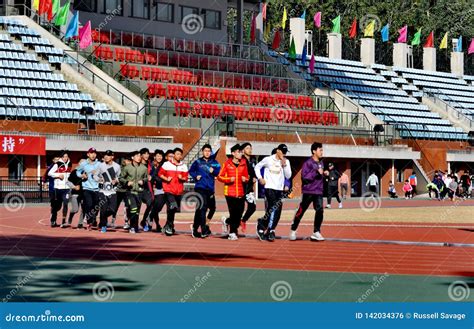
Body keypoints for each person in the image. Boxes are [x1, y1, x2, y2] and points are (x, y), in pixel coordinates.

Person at [254, 144, 292, 242]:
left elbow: (288, 175)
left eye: (285, 152)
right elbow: (257, 167)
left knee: (277, 211)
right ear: (278, 151)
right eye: (282, 152)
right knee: (273, 208)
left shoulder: (286, 161)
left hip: (279, 189)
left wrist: (285, 166)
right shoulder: (268, 159)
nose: (284, 154)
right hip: (269, 188)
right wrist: (260, 178)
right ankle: (271, 230)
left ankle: (262, 224)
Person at [290, 142, 326, 241]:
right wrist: (315, 172)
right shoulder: (308, 163)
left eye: (322, 150)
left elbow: (320, 176)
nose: (322, 152)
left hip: (318, 191)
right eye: (320, 150)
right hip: (308, 191)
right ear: (314, 151)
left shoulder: (321, 162)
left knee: (320, 210)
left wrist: (325, 174)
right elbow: (304, 178)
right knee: (301, 211)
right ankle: (293, 229)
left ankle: (316, 232)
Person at [217, 144, 249, 241]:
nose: (240, 154)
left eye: (241, 152)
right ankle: (232, 232)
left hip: (240, 192)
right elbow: (219, 177)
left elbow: (247, 177)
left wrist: (245, 179)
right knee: (234, 213)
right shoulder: (227, 164)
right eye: (238, 152)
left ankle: (226, 221)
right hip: (229, 193)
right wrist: (228, 179)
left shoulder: (243, 163)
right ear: (233, 153)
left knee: (239, 213)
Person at [189, 144, 221, 238]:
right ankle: (203, 230)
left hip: (210, 188)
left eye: (209, 151)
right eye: (205, 151)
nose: (207, 152)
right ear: (202, 152)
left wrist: (213, 172)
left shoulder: (215, 162)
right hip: (200, 187)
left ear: (210, 152)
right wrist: (195, 176)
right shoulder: (198, 162)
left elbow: (219, 172)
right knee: (202, 208)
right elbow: (191, 171)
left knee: (212, 208)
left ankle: (196, 226)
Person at [159, 147, 189, 236]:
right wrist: (166, 179)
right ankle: (169, 226)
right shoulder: (166, 164)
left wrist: (182, 178)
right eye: (177, 154)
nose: (179, 156)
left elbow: (186, 178)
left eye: (180, 154)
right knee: (173, 206)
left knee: (173, 209)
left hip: (178, 191)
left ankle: (168, 225)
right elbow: (160, 174)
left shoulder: (184, 166)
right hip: (168, 190)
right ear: (174, 155)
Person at [119, 150, 148, 234]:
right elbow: (121, 178)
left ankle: (135, 227)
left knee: (137, 211)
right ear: (132, 158)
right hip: (130, 192)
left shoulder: (144, 168)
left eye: (139, 156)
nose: (139, 157)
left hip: (140, 192)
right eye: (137, 156)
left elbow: (146, 178)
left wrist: (143, 181)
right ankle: (132, 226)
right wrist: (127, 182)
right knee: (133, 208)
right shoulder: (127, 167)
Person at [95, 150, 121, 233]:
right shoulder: (101, 165)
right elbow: (95, 175)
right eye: (105, 155)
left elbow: (120, 177)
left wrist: (116, 180)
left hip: (112, 191)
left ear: (112, 157)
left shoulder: (117, 166)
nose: (106, 157)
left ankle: (102, 217)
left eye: (108, 155)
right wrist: (99, 179)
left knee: (113, 209)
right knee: (103, 208)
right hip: (102, 190)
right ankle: (103, 225)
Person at [76, 148, 101, 230]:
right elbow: (77, 172)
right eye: (91, 153)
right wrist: (82, 175)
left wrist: (97, 174)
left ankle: (93, 219)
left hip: (96, 188)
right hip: (87, 188)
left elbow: (103, 173)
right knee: (89, 204)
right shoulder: (84, 164)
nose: (93, 155)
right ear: (88, 154)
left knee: (96, 206)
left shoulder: (99, 164)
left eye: (94, 153)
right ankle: (89, 221)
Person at [48, 151, 71, 227]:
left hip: (67, 189)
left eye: (66, 156)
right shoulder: (57, 164)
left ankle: (63, 221)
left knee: (65, 203)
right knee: (56, 206)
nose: (65, 158)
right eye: (64, 157)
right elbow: (49, 173)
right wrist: (58, 175)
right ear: (61, 157)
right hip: (58, 189)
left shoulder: (69, 164)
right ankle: (53, 220)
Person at [146, 149, 166, 232]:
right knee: (156, 206)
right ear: (155, 157)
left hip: (165, 188)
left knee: (158, 207)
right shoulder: (152, 165)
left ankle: (150, 217)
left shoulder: (164, 165)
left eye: (161, 156)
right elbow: (151, 176)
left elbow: (154, 176)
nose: (159, 157)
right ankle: (156, 224)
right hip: (156, 189)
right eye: (158, 156)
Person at [139, 148, 154, 231]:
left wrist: (151, 177)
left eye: (148, 154)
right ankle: (132, 223)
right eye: (145, 154)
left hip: (147, 188)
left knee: (150, 204)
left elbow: (153, 174)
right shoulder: (137, 164)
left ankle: (144, 221)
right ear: (141, 155)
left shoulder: (149, 164)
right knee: (136, 207)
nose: (146, 155)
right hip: (137, 188)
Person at [66, 163, 85, 228]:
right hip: (75, 193)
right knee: (75, 209)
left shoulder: (88, 172)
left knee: (84, 209)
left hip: (85, 193)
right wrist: (74, 187)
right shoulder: (74, 172)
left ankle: (80, 223)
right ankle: (70, 216)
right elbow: (68, 182)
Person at [113, 158, 131, 229]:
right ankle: (112, 221)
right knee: (115, 206)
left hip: (127, 191)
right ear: (124, 161)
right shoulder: (119, 168)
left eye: (129, 161)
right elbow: (116, 178)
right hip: (118, 190)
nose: (128, 162)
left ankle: (126, 222)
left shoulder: (131, 169)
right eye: (127, 160)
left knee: (127, 207)